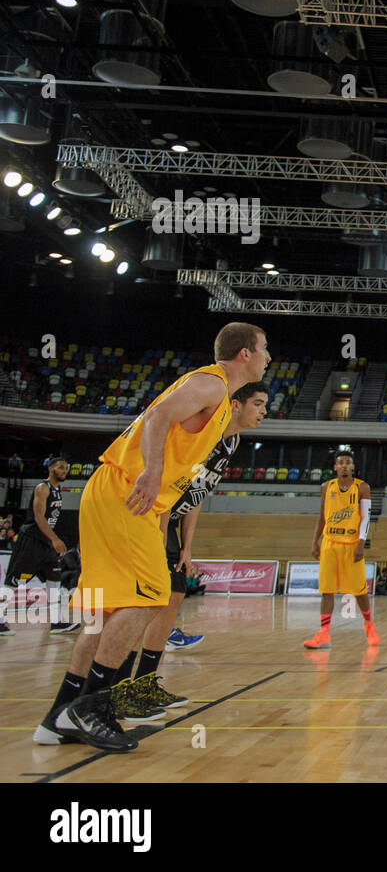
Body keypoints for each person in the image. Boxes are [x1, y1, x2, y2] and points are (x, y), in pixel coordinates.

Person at [33, 321, 270, 751]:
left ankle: (58, 717)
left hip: (117, 494)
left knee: (104, 610)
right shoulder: (211, 383)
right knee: (153, 595)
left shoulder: (216, 404)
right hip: (128, 491)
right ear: (245, 354)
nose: (269, 358)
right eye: (265, 349)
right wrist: (153, 470)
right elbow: (158, 416)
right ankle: (92, 708)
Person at [114, 380, 269, 715]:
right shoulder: (207, 434)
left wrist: (187, 547)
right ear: (236, 405)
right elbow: (171, 483)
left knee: (174, 595)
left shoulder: (233, 441)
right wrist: (157, 536)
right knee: (146, 600)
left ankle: (144, 683)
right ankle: (118, 689)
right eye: (258, 403)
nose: (264, 411)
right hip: (152, 513)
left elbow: (198, 495)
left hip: (172, 519)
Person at [303, 450, 378, 650]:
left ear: (353, 467)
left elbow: (366, 518)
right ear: (335, 467)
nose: (344, 465)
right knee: (326, 590)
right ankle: (323, 634)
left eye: (348, 462)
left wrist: (361, 543)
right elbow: (322, 515)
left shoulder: (362, 487)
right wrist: (315, 541)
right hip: (329, 543)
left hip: (351, 544)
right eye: (341, 463)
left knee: (359, 591)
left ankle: (369, 625)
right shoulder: (326, 487)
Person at [3, 456, 80, 634]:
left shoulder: (58, 490)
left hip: (45, 543)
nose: (64, 471)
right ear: (51, 469)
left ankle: (56, 621)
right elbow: (39, 518)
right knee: (14, 582)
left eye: (66, 468)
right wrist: (55, 539)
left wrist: (51, 540)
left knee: (54, 579)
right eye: (61, 467)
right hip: (31, 540)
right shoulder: (42, 488)